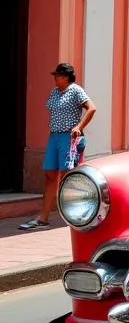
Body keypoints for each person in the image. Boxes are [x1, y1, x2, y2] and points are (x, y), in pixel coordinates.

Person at [19, 63, 96, 230]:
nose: (55, 78)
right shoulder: (54, 92)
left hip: (69, 137)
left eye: (58, 75)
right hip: (54, 137)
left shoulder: (76, 90)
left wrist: (79, 127)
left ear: (66, 77)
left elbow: (91, 108)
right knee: (50, 175)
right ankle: (43, 217)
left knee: (68, 177)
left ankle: (73, 215)